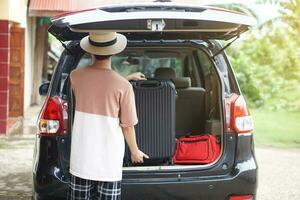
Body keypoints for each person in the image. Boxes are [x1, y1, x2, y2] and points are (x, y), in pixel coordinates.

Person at [68, 32, 149, 200]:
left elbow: (96, 89)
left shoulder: (75, 76)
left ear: (91, 51)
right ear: (114, 52)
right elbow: (127, 126)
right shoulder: (123, 86)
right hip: (108, 161)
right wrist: (135, 151)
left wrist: (126, 80)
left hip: (82, 157)